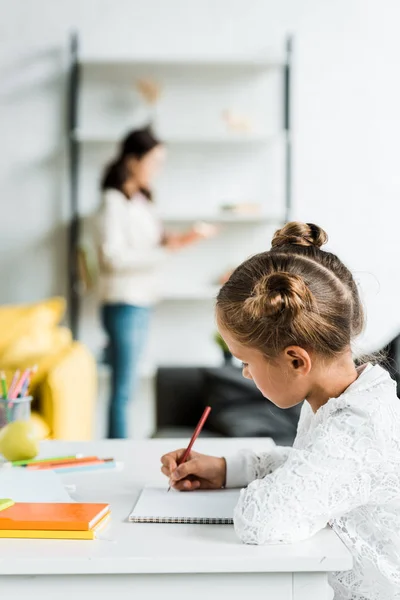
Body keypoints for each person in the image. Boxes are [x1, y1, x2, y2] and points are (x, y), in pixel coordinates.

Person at [161, 221, 400, 600]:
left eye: (245, 361)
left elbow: (262, 521)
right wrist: (228, 470)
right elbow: (313, 465)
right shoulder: (349, 397)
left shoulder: (358, 424)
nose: (243, 372)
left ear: (295, 361)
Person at [98, 126, 215, 439]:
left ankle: (119, 448)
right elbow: (113, 257)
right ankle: (117, 451)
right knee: (123, 391)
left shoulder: (141, 201)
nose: (158, 170)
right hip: (124, 302)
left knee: (128, 387)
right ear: (133, 160)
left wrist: (181, 241)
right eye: (154, 161)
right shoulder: (113, 202)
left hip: (140, 301)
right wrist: (166, 249)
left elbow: (156, 245)